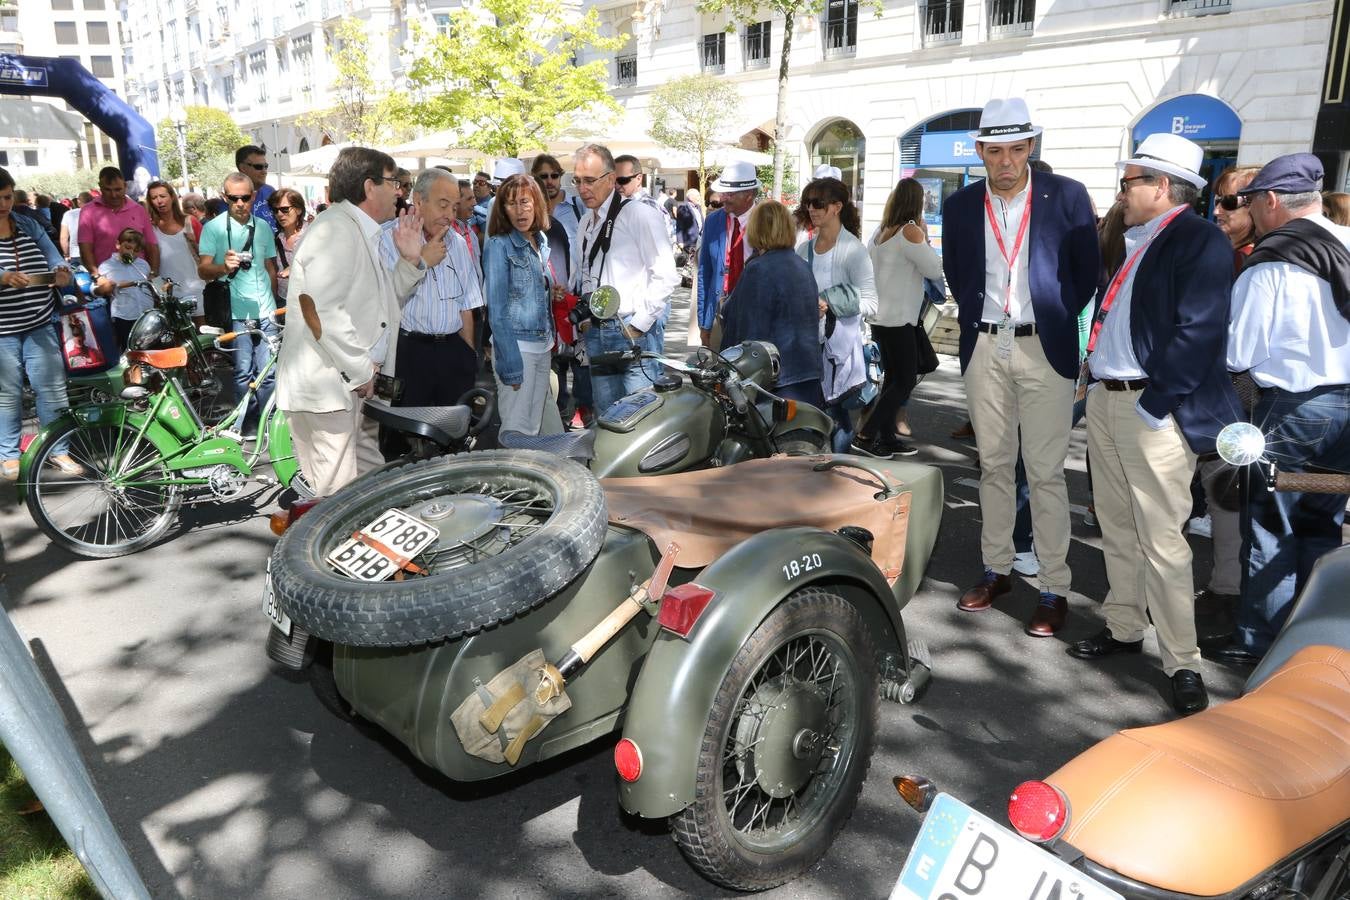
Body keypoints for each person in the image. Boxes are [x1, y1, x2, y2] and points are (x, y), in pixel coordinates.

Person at [1066, 133, 1238, 716]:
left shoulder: (1200, 240)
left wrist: (1155, 402)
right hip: (1113, 401)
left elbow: (1199, 332)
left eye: (1129, 181)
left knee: (1163, 540)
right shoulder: (1138, 239)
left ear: (1162, 186)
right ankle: (1123, 627)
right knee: (1115, 524)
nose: (1120, 192)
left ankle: (1181, 661)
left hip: (1150, 409)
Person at [941, 98, 1099, 638]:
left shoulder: (1068, 196)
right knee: (992, 465)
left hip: (1043, 346)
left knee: (1046, 472)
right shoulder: (962, 205)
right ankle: (997, 569)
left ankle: (1053, 586)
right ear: (980, 151)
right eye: (995, 151)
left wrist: (1052, 314)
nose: (1005, 161)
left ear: (1030, 147)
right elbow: (957, 272)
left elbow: (1086, 273)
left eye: (1016, 149)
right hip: (985, 345)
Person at [1208, 154, 1350, 666]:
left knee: (1270, 530)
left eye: (1251, 201)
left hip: (1294, 409)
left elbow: (1239, 353)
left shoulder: (1271, 261)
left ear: (1270, 201)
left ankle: (1259, 645)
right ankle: (1309, 646)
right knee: (1321, 527)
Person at [275, 147, 429, 497]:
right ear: (370, 186)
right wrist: (362, 372)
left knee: (373, 490)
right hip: (332, 391)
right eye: (394, 182)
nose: (400, 191)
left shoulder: (356, 229)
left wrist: (409, 260)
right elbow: (322, 311)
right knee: (336, 505)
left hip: (351, 388)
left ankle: (381, 552)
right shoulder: (336, 230)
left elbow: (380, 307)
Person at [1192, 165, 1260, 642]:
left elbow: (1238, 348)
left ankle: (1228, 594)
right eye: (1216, 200)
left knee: (1230, 503)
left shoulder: (1257, 262)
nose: (1218, 210)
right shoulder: (1233, 254)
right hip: (1226, 403)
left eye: (1230, 202)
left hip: (1240, 407)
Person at [571, 143, 679, 414]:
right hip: (597, 330)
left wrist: (640, 324)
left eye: (589, 181)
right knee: (608, 417)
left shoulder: (639, 214)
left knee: (640, 419)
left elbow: (666, 274)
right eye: (577, 181)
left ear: (609, 179)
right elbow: (586, 272)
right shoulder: (585, 222)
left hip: (631, 328)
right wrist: (586, 321)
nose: (582, 188)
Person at [379, 169, 483, 409]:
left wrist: (467, 356)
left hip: (453, 354)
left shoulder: (456, 242)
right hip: (408, 353)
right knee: (405, 433)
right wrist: (420, 261)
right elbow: (382, 301)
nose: (449, 215)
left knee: (454, 433)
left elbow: (466, 306)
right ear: (418, 201)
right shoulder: (387, 239)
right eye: (443, 205)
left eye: (455, 208)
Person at [0, 167, 78, 479]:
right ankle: (8, 453)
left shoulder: (27, 223)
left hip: (40, 321)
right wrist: (4, 278)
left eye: (6, 197)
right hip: (3, 330)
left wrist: (61, 272)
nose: (3, 204)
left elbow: (54, 256)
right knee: (8, 394)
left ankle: (58, 450)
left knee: (53, 390)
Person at [859, 177, 944, 456]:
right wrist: (926, 238)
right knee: (905, 380)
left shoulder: (881, 232)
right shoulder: (910, 231)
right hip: (901, 320)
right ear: (917, 203)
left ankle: (886, 438)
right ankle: (866, 433)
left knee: (892, 379)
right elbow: (933, 269)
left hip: (880, 319)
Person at [795, 176, 877, 453]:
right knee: (816, 413)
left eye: (818, 203)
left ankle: (838, 471)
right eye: (808, 203)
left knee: (836, 415)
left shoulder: (854, 250)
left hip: (841, 350)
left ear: (837, 207)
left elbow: (872, 304)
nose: (811, 209)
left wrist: (830, 304)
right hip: (808, 345)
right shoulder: (803, 249)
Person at [197, 173, 280, 434]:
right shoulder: (214, 228)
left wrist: (275, 306)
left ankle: (269, 424)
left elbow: (270, 268)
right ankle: (246, 423)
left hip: (266, 308)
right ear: (225, 198)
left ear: (253, 197)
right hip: (238, 310)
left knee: (268, 372)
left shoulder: (264, 227)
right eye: (234, 198)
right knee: (243, 372)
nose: (240, 203)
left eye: (245, 197)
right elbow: (203, 270)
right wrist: (224, 266)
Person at [719, 201, 824, 407]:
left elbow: (747, 330)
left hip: (774, 382)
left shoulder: (758, 268)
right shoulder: (801, 265)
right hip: (807, 375)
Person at [484, 173, 564, 436]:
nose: (519, 210)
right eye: (510, 203)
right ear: (502, 209)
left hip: (542, 346)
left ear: (536, 203)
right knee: (518, 431)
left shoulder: (539, 242)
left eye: (525, 202)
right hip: (518, 349)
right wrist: (510, 363)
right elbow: (496, 311)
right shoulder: (499, 245)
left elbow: (526, 296)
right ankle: (510, 478)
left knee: (537, 429)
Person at [697, 162, 759, 348]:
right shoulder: (713, 221)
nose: (723, 198)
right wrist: (704, 323)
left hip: (754, 316)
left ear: (748, 195)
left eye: (729, 194)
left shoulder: (767, 219)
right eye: (723, 192)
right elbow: (705, 273)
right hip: (720, 313)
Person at [79, 166, 160, 279]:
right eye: (108, 190)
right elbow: (85, 248)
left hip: (139, 280)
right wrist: (97, 276)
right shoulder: (88, 211)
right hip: (106, 281)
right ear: (100, 187)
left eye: (118, 189)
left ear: (125, 186)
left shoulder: (139, 210)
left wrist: (153, 274)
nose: (113, 195)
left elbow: (151, 246)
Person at [145, 180, 205, 324]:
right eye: (154, 198)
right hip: (169, 292)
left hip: (197, 288)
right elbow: (152, 266)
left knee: (203, 335)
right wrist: (160, 293)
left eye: (162, 196)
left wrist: (193, 243)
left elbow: (207, 254)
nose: (159, 201)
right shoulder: (150, 228)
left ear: (172, 197)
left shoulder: (190, 222)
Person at [94, 228, 155, 351]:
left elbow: (149, 282)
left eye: (136, 250)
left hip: (146, 313)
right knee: (129, 349)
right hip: (124, 315)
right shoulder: (106, 266)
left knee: (149, 348)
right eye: (128, 247)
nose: (132, 253)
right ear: (118, 244)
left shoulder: (143, 265)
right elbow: (100, 290)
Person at [532, 153, 583, 244]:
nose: (550, 181)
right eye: (544, 176)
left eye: (554, 176)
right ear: (535, 179)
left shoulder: (579, 206)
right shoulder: (530, 210)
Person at [269, 187, 309, 304]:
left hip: (309, 300)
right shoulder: (276, 238)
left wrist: (294, 269)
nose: (280, 214)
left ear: (298, 210)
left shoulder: (312, 234)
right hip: (283, 298)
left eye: (285, 209)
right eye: (275, 210)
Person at [236, 145, 277, 232]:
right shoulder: (232, 199)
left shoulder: (270, 191)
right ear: (243, 168)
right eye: (258, 167)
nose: (264, 171)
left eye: (266, 166)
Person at [58, 191, 93, 260]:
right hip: (95, 252)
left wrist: (66, 254)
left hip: (75, 254)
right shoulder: (99, 213)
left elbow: (63, 238)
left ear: (78, 201)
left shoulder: (68, 214)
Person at [676, 188, 703, 258]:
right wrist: (680, 242)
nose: (699, 198)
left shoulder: (698, 207)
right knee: (690, 264)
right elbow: (679, 226)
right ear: (690, 197)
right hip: (689, 242)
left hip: (699, 240)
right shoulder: (683, 207)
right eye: (697, 196)